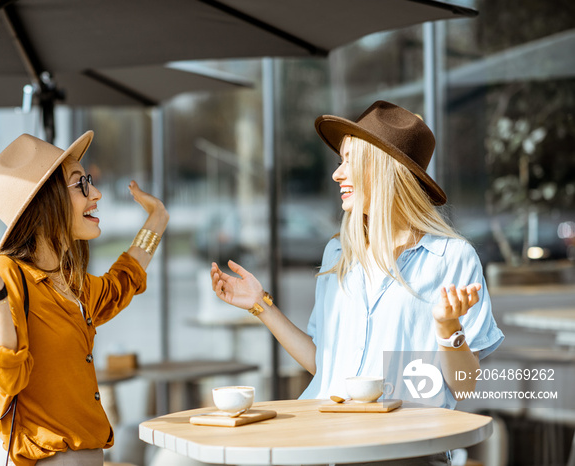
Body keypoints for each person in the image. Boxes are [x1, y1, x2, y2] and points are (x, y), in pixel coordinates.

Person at [210, 101, 504, 465]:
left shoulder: (452, 258)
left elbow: (463, 383)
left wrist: (447, 328)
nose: (337, 174)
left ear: (382, 168)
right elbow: (327, 364)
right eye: (339, 161)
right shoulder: (339, 253)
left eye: (350, 160)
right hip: (320, 445)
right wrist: (261, 306)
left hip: (405, 452)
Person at [0, 131, 169, 466]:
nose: (95, 192)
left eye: (90, 181)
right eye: (81, 183)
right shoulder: (5, 274)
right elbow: (6, 379)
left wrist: (156, 221)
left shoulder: (68, 282)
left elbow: (120, 284)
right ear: (45, 199)